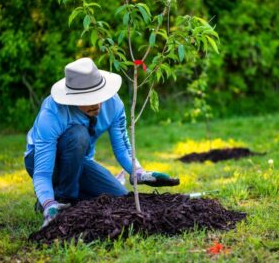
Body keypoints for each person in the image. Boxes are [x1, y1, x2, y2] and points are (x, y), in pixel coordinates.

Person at [24, 57, 179, 228]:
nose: (97, 104)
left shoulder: (113, 104)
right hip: (42, 161)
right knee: (78, 135)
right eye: (87, 98)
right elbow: (42, 172)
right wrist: (48, 203)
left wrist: (139, 173)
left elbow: (122, 148)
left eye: (99, 96)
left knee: (120, 197)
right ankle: (59, 199)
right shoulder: (53, 113)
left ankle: (67, 195)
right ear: (72, 98)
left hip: (80, 161)